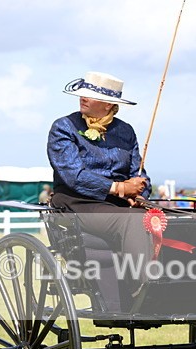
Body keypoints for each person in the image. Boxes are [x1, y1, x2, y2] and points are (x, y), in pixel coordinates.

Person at [47, 71, 153, 295]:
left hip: (117, 204)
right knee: (133, 221)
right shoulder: (64, 127)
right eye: (82, 93)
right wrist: (119, 188)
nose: (83, 97)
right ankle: (144, 288)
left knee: (164, 217)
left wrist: (139, 194)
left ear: (108, 105)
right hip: (77, 202)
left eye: (91, 95)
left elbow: (139, 174)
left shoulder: (125, 131)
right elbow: (74, 175)